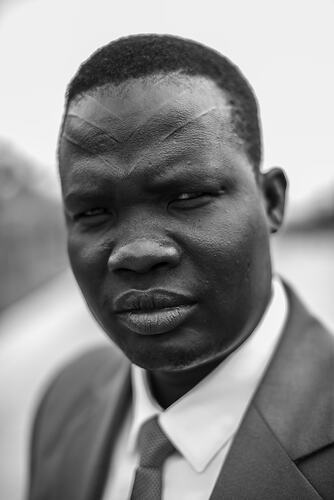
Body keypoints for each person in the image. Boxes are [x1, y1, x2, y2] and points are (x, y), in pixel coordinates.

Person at [28, 34, 334, 500]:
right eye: (92, 212)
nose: (134, 252)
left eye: (187, 197)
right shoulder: (66, 399)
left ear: (271, 202)